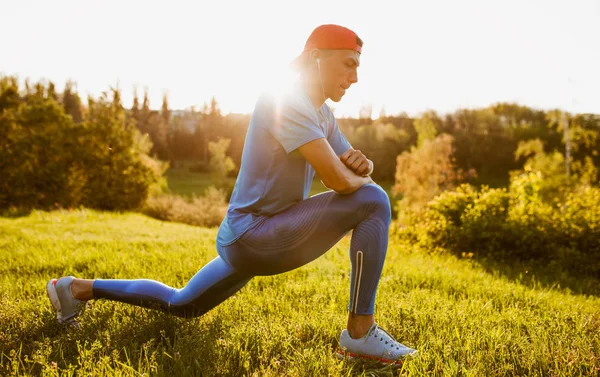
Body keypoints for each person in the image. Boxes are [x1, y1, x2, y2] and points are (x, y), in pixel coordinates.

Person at [46, 24, 418, 366]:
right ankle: (359, 334)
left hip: (245, 235)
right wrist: (358, 179)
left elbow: (351, 169)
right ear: (316, 58)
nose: (355, 78)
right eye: (348, 65)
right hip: (256, 234)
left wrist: (362, 166)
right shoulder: (287, 101)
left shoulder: (321, 114)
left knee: (183, 304)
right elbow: (339, 180)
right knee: (376, 201)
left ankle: (76, 289)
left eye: (358, 68)